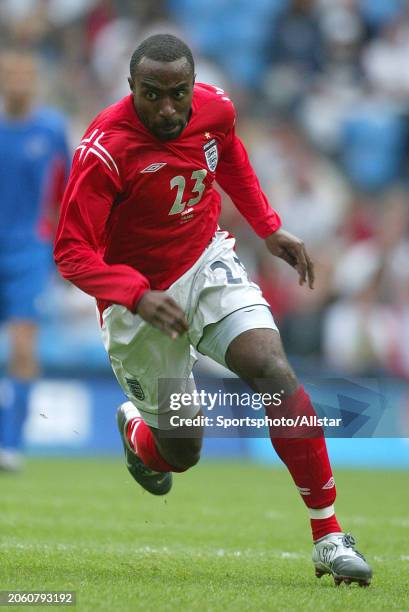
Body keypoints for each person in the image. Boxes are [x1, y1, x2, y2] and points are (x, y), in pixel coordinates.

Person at [54, 34, 372, 586]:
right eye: (152, 95)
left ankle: (329, 535)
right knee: (181, 451)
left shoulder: (215, 108)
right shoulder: (104, 150)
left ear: (191, 84)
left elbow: (228, 156)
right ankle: (138, 434)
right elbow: (71, 251)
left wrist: (269, 228)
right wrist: (134, 293)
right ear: (132, 89)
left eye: (177, 93)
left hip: (205, 263)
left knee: (272, 370)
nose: (168, 108)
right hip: (138, 303)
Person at [0, 49, 70, 471]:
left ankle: (12, 443)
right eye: (11, 74)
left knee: (24, 344)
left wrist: (64, 245)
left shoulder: (52, 128)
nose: (19, 82)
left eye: (27, 73)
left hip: (29, 251)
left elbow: (67, 192)